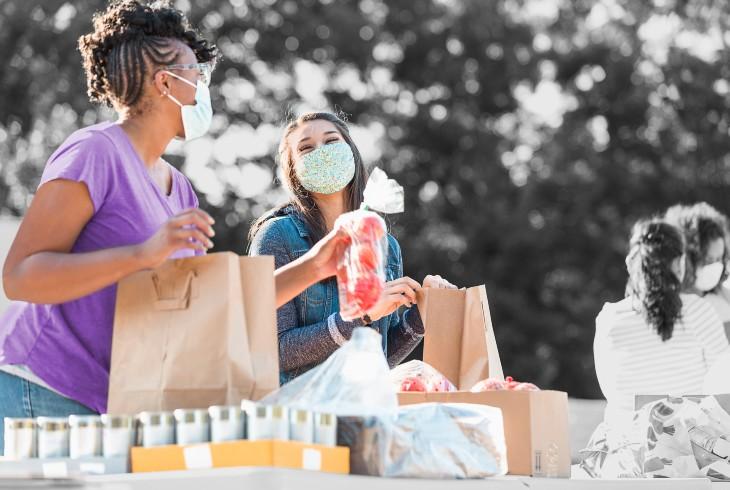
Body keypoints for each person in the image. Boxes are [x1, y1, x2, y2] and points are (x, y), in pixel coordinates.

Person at [0, 0, 345, 451]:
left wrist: (316, 266)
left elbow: (203, 310)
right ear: (165, 82)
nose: (203, 84)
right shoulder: (93, 153)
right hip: (41, 386)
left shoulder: (180, 190)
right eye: (195, 71)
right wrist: (142, 255)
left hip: (111, 405)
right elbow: (20, 277)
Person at [249, 111, 456, 384]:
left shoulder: (386, 247)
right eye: (306, 148)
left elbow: (379, 357)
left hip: (362, 411)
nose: (321, 152)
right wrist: (362, 316)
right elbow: (273, 351)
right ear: (293, 171)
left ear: (352, 153)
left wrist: (421, 316)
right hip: (300, 415)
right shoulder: (277, 236)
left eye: (331, 141)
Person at [593, 219, 729, 425]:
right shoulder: (698, 311)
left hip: (622, 446)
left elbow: (611, 391)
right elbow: (723, 385)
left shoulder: (608, 319)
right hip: (686, 447)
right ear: (679, 264)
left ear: (631, 262)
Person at [664, 202, 730, 340]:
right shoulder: (667, 305)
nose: (715, 266)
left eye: (719, 259)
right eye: (707, 260)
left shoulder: (723, 300)